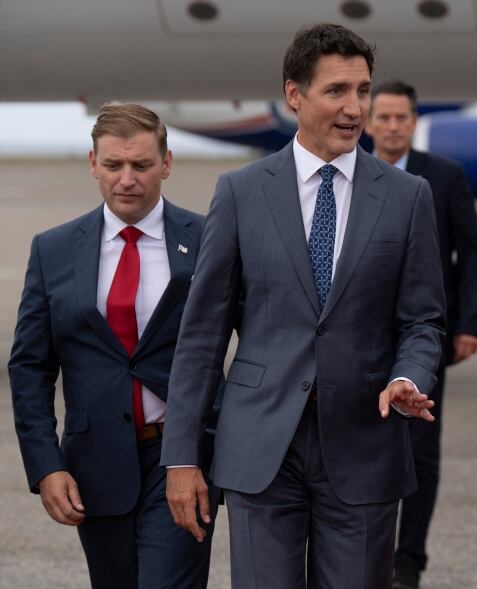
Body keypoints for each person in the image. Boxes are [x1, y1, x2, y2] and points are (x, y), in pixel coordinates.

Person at [161, 23, 446, 589]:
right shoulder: (240, 192)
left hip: (365, 440)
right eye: (337, 91)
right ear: (295, 94)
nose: (354, 108)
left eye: (362, 91)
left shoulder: (407, 196)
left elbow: (423, 320)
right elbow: (201, 336)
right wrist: (181, 457)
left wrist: (409, 375)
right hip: (260, 444)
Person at [8, 103, 219, 588]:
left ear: (165, 164)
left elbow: (252, 334)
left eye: (141, 165)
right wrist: (46, 466)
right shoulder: (53, 250)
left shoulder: (206, 239)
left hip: (180, 457)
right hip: (96, 465)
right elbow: (30, 368)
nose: (127, 179)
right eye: (113, 165)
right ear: (92, 164)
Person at [365, 79, 477, 589]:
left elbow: (472, 252)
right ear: (370, 122)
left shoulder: (444, 176)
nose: (393, 126)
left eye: (402, 118)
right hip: (364, 333)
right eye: (384, 117)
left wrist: (466, 324)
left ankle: (409, 561)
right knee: (364, 448)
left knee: (421, 451)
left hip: (426, 331)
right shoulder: (352, 175)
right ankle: (365, 555)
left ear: (415, 122)